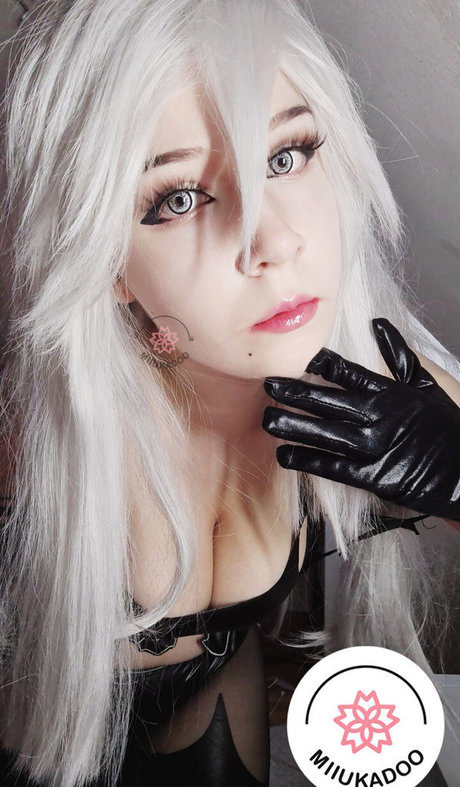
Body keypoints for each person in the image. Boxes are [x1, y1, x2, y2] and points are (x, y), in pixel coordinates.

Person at [0, 1, 459, 785]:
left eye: (286, 155)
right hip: (40, 737)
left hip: (213, 699)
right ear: (103, 257)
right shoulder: (31, 435)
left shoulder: (388, 387)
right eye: (179, 198)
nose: (275, 242)